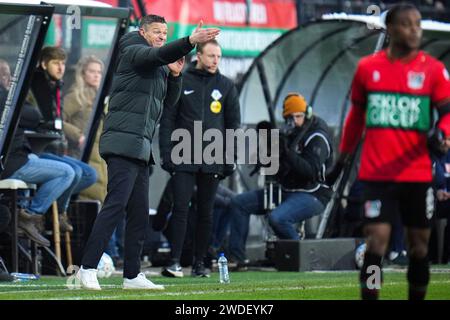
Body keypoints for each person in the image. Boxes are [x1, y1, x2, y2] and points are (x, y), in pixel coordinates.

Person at [77, 14, 220, 290]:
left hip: (140, 147)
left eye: (165, 34)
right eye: (157, 32)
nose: (161, 37)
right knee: (116, 205)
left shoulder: (159, 64)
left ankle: (131, 275)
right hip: (122, 143)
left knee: (140, 212)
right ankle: (87, 267)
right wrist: (189, 41)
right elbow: (155, 56)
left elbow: (168, 106)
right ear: (142, 32)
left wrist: (176, 76)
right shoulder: (132, 48)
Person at [328, 4, 450, 300]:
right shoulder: (368, 69)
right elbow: (355, 120)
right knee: (376, 242)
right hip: (377, 173)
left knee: (419, 245)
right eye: (407, 24)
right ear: (391, 28)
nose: (414, 30)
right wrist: (341, 161)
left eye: (418, 25)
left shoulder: (433, 70)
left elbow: (447, 113)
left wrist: (443, 133)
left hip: (417, 173)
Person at [159, 39, 240, 278]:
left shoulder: (226, 86)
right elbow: (168, 119)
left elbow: (233, 125)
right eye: (211, 55)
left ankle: (199, 264)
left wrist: (230, 158)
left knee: (206, 213)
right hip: (183, 154)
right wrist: (166, 152)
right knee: (181, 208)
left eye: (218, 56)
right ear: (200, 56)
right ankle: (174, 261)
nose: (216, 60)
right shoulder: (181, 79)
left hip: (213, 157)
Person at [226, 93, 332, 266]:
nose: (295, 121)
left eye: (299, 116)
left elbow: (310, 172)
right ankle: (236, 258)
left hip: (313, 194)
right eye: (291, 117)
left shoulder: (317, 136)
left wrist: (286, 153)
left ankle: (302, 257)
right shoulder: (289, 134)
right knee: (239, 203)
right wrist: (267, 156)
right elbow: (279, 170)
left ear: (306, 114)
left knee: (278, 218)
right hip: (287, 190)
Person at [28, 46, 97, 232]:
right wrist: (76, 134)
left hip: (54, 148)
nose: (60, 68)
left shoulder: (54, 85)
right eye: (56, 63)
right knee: (72, 172)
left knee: (89, 174)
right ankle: (36, 213)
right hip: (38, 149)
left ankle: (56, 209)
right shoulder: (36, 84)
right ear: (44, 64)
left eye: (63, 64)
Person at [0, 89, 75, 247]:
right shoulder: (4, 95)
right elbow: (33, 116)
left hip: (18, 157)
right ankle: (29, 215)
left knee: (82, 171)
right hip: (11, 162)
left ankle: (26, 211)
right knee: (68, 172)